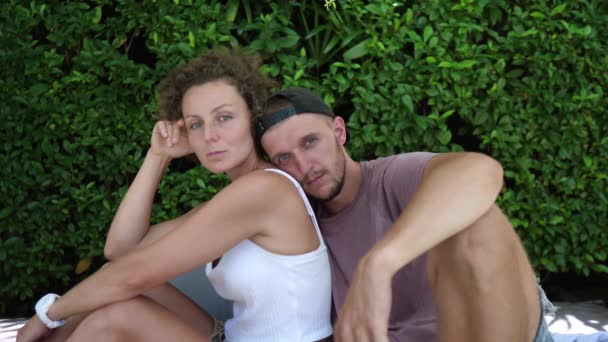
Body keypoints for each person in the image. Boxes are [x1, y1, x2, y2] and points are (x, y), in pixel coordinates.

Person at [17, 53, 332, 342]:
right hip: (233, 337)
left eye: (224, 118)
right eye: (196, 124)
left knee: (117, 316)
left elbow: (133, 274)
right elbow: (122, 250)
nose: (209, 135)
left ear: (252, 116)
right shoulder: (236, 197)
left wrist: (49, 313)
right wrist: (158, 156)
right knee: (108, 283)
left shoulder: (265, 191)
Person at [256, 87, 554, 342]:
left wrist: (377, 265)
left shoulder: (389, 178)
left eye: (310, 142)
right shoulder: (298, 223)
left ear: (339, 132)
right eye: (285, 158)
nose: (304, 165)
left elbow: (480, 171)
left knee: (476, 224)